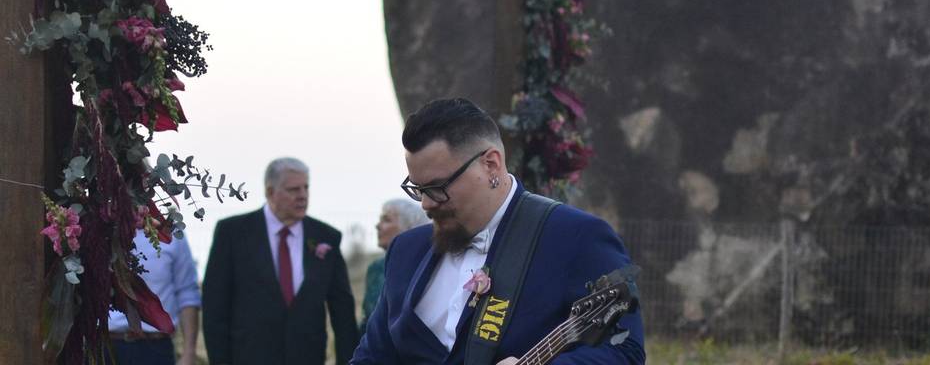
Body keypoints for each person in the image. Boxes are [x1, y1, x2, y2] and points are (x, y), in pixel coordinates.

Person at [351, 98, 646, 365]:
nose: (426, 204)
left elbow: (625, 351)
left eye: (437, 188)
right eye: (417, 189)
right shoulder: (406, 250)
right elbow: (372, 357)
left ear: (491, 164)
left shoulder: (576, 237)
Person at [202, 157, 360, 365]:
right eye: (293, 190)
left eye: (306, 188)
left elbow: (343, 313)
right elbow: (215, 310)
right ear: (270, 192)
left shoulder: (326, 237)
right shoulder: (233, 233)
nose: (303, 196)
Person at [107, 229, 201, 365]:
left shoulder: (170, 232)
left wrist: (189, 353)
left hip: (155, 348)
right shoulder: (95, 225)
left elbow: (187, 293)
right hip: (105, 347)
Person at [360, 198, 429, 332]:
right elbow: (367, 319)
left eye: (386, 220)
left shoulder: (422, 266)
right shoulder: (375, 268)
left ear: (409, 228)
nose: (378, 225)